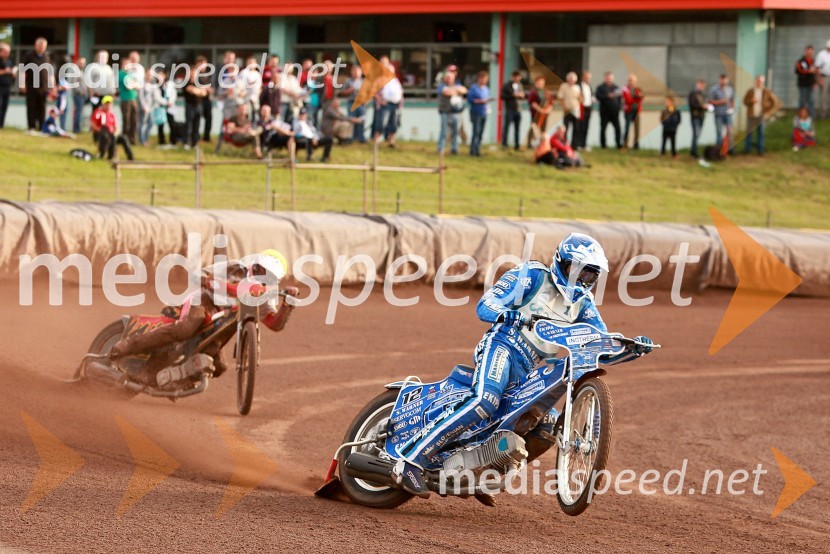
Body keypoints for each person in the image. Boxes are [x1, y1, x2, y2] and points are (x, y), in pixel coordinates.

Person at [392, 234, 654, 498]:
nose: (581, 280)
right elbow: (486, 304)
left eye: (589, 275)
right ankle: (410, 461)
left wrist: (630, 349)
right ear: (561, 263)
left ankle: (484, 470)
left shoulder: (583, 306)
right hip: (503, 345)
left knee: (546, 425)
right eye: (577, 271)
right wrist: (506, 314)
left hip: (528, 367)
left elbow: (598, 345)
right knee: (485, 400)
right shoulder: (533, 275)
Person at [109, 250, 298, 384]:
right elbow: (198, 276)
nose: (262, 277)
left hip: (220, 326)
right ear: (255, 265)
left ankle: (177, 378)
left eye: (270, 277)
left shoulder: (265, 295)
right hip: (203, 304)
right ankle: (127, 345)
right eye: (261, 270)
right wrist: (212, 282)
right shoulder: (234, 267)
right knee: (186, 329)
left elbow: (274, 324)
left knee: (219, 366)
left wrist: (287, 306)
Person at [21, 38, 53, 131]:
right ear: (36, 45)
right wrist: (22, 84)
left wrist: (52, 85)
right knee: (31, 107)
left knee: (42, 108)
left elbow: (50, 72)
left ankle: (42, 126)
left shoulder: (47, 56)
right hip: (31, 86)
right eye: (41, 46)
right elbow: (23, 71)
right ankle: (32, 126)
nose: (42, 48)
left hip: (44, 87)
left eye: (44, 47)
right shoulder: (29, 56)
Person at [742, 75, 779, 155]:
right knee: (748, 133)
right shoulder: (751, 91)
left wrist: (768, 112)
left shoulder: (767, 91)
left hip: (761, 115)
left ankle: (760, 149)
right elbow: (744, 101)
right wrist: (751, 101)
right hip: (751, 115)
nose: (759, 83)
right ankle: (747, 149)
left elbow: (775, 102)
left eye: (761, 81)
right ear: (756, 81)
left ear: (763, 82)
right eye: (758, 81)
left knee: (761, 133)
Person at [90, 95, 133, 160]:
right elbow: (92, 125)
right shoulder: (98, 112)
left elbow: (116, 127)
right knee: (107, 134)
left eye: (109, 104)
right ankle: (109, 156)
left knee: (124, 138)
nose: (108, 105)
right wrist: (101, 131)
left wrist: (115, 132)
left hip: (112, 134)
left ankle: (131, 158)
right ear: (103, 104)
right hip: (101, 135)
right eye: (106, 104)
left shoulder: (112, 115)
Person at [437, 68, 467, 155]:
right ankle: (441, 148)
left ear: (454, 77)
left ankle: (454, 149)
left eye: (451, 77)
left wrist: (454, 89)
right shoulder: (441, 86)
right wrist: (457, 91)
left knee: (455, 132)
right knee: (444, 132)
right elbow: (447, 92)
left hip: (456, 113)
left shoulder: (457, 84)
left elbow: (464, 90)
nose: (449, 79)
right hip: (445, 112)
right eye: (447, 77)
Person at [375, 61, 403, 147]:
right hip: (385, 105)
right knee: (381, 124)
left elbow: (400, 93)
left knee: (393, 124)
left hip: (395, 105)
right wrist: (380, 100)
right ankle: (376, 142)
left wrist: (400, 104)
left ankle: (391, 142)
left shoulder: (396, 81)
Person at [183, 64, 209, 148]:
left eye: (194, 73)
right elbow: (190, 90)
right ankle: (186, 143)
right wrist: (199, 91)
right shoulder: (186, 82)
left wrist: (196, 90)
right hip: (189, 106)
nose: (193, 74)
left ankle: (194, 143)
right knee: (188, 125)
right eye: (191, 73)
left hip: (199, 106)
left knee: (196, 126)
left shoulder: (200, 82)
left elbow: (205, 93)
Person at [708, 74, 735, 153]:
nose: (724, 81)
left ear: (727, 80)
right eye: (722, 80)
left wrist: (732, 108)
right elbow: (710, 101)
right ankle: (719, 150)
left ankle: (730, 149)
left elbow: (732, 100)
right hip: (718, 114)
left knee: (730, 132)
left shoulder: (730, 89)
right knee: (719, 132)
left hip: (728, 114)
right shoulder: (714, 89)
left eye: (725, 80)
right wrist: (720, 102)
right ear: (720, 80)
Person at [118, 56, 141, 145]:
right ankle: (125, 140)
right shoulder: (121, 74)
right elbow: (129, 85)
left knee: (134, 121)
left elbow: (138, 85)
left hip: (133, 99)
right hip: (125, 100)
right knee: (126, 121)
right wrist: (134, 84)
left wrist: (134, 84)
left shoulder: (131, 74)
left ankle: (132, 139)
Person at [595, 72, 622, 149]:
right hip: (604, 112)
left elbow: (620, 98)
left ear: (612, 78)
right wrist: (607, 96)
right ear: (605, 78)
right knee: (603, 129)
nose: (609, 79)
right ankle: (603, 145)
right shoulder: (600, 87)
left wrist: (619, 107)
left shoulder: (616, 87)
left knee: (618, 128)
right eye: (607, 78)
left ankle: (618, 144)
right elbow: (597, 96)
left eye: (610, 78)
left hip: (615, 113)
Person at [467, 70, 491, 156]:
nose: (484, 80)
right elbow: (470, 100)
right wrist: (479, 101)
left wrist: (487, 107)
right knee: (476, 132)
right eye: (482, 78)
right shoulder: (473, 88)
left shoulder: (486, 89)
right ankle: (472, 150)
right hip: (475, 112)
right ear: (479, 78)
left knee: (481, 132)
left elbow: (487, 100)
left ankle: (477, 150)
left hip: (484, 112)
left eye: (485, 79)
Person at [500, 70, 525, 151]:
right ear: (512, 77)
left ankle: (517, 145)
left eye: (518, 77)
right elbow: (502, 96)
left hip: (518, 109)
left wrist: (521, 95)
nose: (517, 78)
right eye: (515, 77)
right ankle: (504, 144)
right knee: (506, 127)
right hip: (509, 109)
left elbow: (522, 95)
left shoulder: (520, 85)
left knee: (517, 128)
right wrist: (512, 95)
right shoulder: (507, 85)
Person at [557, 72, 582, 147]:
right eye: (570, 79)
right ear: (567, 79)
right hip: (567, 110)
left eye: (573, 79)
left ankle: (575, 145)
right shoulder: (563, 86)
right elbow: (560, 98)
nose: (571, 80)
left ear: (575, 80)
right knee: (565, 129)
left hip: (575, 111)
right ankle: (564, 144)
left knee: (576, 128)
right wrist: (564, 106)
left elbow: (580, 98)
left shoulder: (577, 87)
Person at [526, 76, 552, 148]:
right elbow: (532, 103)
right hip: (536, 114)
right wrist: (541, 110)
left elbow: (550, 102)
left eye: (542, 83)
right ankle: (529, 144)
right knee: (533, 128)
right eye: (539, 82)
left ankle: (543, 144)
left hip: (544, 115)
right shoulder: (533, 92)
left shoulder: (546, 92)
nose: (540, 84)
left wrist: (547, 110)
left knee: (543, 130)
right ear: (536, 83)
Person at [343, 64, 366, 143]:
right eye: (354, 71)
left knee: (361, 120)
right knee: (351, 120)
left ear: (361, 72)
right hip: (351, 102)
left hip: (361, 103)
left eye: (357, 71)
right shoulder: (348, 81)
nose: (356, 73)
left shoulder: (364, 81)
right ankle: (351, 137)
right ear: (351, 72)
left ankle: (360, 138)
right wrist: (351, 89)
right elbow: (344, 92)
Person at [622, 73, 644, 149]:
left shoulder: (638, 89)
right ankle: (625, 145)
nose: (631, 82)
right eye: (630, 80)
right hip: (628, 111)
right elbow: (628, 100)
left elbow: (641, 98)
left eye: (633, 80)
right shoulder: (625, 89)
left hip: (636, 111)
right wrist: (636, 98)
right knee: (627, 128)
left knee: (637, 129)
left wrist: (636, 98)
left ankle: (636, 145)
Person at [795, 45, 818, 119]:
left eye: (811, 52)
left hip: (810, 85)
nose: (810, 53)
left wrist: (815, 82)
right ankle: (800, 116)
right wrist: (808, 71)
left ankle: (812, 116)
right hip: (803, 85)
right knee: (802, 101)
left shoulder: (813, 61)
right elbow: (798, 71)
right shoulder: (801, 61)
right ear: (805, 52)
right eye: (808, 51)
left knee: (811, 101)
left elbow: (814, 73)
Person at [687, 79, 708, 159]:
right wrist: (702, 106)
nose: (702, 87)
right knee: (695, 134)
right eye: (700, 85)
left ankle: (694, 151)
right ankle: (693, 153)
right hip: (695, 117)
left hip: (701, 116)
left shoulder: (703, 95)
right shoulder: (692, 94)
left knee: (698, 134)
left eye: (703, 86)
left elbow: (704, 103)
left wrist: (707, 107)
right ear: (697, 85)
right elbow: (692, 104)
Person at [67, 56, 88, 134]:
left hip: (82, 95)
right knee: (78, 112)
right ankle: (76, 129)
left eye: (83, 63)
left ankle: (78, 128)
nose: (82, 64)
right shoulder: (75, 71)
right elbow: (74, 84)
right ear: (77, 62)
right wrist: (81, 92)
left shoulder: (81, 71)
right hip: (78, 95)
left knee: (80, 112)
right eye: (81, 62)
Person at [575, 70, 593, 151]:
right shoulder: (578, 86)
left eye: (589, 78)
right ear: (583, 77)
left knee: (586, 127)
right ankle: (578, 144)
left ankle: (584, 144)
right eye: (586, 77)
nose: (587, 79)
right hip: (581, 109)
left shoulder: (589, 86)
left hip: (588, 108)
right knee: (580, 127)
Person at [0, 42, 16, 128]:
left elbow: (12, 71)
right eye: (6, 51)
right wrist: (4, 71)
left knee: (4, 106)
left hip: (7, 86)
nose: (7, 54)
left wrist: (13, 73)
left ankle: (1, 125)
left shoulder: (9, 61)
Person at [816, 41, 830, 119]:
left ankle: (827, 112)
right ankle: (822, 114)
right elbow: (817, 67)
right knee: (823, 96)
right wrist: (819, 78)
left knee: (828, 97)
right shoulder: (821, 54)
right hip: (824, 77)